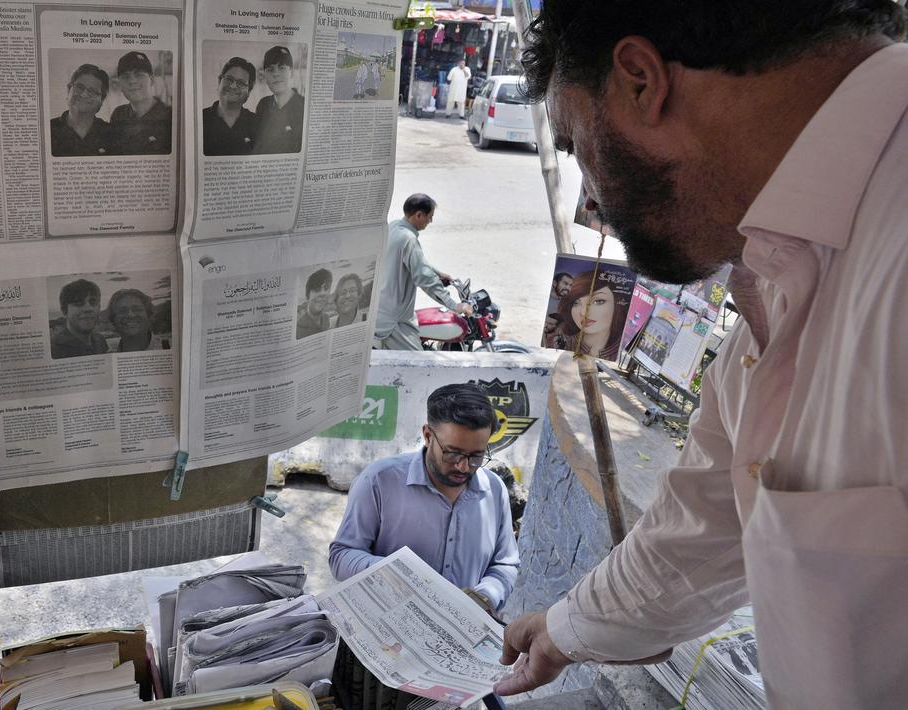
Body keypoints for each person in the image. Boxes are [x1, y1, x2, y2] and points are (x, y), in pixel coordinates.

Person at [493, 2, 908, 707]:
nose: (590, 198)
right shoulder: (771, 277)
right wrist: (563, 631)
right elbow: (704, 523)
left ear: (638, 82)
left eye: (574, 144)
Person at [330, 383, 519, 710]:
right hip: (389, 650)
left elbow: (505, 564)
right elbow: (342, 556)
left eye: (476, 456)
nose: (463, 467)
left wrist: (484, 595)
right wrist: (395, 576)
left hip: (462, 650)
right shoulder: (380, 481)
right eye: (453, 453)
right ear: (428, 435)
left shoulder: (494, 491)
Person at [374, 193, 473, 350]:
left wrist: (438, 273)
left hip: (382, 310)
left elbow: (415, 262)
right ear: (419, 215)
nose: (430, 221)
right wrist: (454, 305)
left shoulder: (393, 227)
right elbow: (425, 278)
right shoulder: (409, 239)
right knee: (420, 366)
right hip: (394, 323)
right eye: (430, 217)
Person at [549, 267, 632, 360]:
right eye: (576, 303)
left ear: (617, 305)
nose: (583, 312)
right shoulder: (557, 342)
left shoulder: (625, 353)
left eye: (598, 301)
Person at [109, 51, 172, 155]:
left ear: (151, 80)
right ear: (120, 85)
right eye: (126, 76)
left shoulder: (170, 115)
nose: (132, 81)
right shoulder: (118, 115)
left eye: (139, 75)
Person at [50, 64, 111, 157]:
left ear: (101, 100)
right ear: (68, 90)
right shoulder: (48, 129)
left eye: (93, 91)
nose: (84, 95)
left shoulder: (112, 133)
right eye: (79, 87)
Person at [202, 57, 259, 156]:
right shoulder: (199, 119)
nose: (233, 86)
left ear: (249, 91)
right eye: (229, 79)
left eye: (241, 83)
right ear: (219, 82)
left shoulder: (258, 123)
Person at [255, 46, 304, 153]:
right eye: (270, 69)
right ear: (265, 75)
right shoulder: (263, 105)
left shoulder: (304, 105)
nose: (276, 74)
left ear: (290, 72)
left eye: (281, 68)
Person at [50, 279, 109, 358]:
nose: (88, 309)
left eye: (93, 302)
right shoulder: (54, 349)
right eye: (78, 303)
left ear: (99, 307)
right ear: (64, 310)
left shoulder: (100, 341)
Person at [296, 268, 332, 339]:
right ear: (307, 297)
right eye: (317, 289)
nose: (323, 293)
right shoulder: (298, 327)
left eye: (326, 288)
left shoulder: (326, 319)